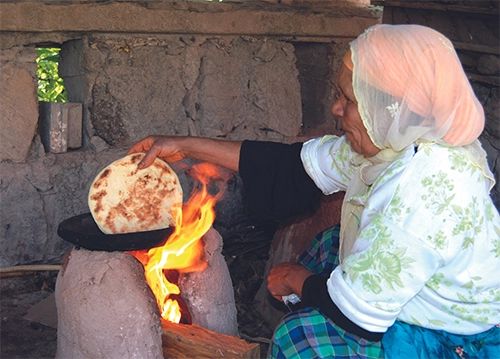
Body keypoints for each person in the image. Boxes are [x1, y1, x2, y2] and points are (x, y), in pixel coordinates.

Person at [127, 24, 500, 358]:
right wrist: (185, 145)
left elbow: (360, 316)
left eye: (350, 101)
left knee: (297, 337)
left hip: (450, 337)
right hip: (419, 287)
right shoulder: (395, 143)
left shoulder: (425, 185)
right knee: (329, 244)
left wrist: (294, 280)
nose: (336, 108)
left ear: (391, 109)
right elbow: (289, 167)